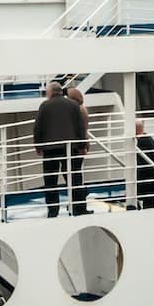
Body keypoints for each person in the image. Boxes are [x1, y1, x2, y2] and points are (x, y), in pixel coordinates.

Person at [32, 81, 87, 217]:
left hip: (50, 149)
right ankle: (79, 208)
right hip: (70, 148)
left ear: (50, 92)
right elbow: (80, 127)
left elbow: (38, 127)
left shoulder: (45, 105)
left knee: (51, 181)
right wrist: (82, 145)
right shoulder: (73, 105)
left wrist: (38, 145)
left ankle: (53, 210)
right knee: (74, 178)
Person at [66, 85, 92, 215]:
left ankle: (78, 204)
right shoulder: (82, 109)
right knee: (76, 176)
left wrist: (82, 145)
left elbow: (80, 129)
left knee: (74, 177)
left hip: (76, 148)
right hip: (80, 146)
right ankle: (78, 204)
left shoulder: (77, 110)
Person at [135, 120, 154, 209]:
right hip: (153, 178)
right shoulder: (149, 138)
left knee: (146, 205)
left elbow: (141, 164)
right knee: (149, 204)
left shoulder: (141, 142)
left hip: (148, 180)